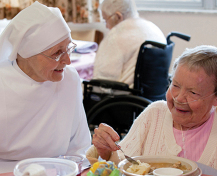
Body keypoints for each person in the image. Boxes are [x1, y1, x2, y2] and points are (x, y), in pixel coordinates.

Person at [0, 1, 91, 176]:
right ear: (27, 54)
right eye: (57, 53)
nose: (68, 60)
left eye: (68, 48)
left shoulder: (70, 80)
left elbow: (79, 149)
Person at [87, 45, 217, 169]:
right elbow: (121, 164)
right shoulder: (154, 114)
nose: (179, 98)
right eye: (175, 85)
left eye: (193, 92)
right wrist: (107, 152)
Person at [92, 0, 166, 88]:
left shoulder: (116, 35)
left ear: (118, 16)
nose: (106, 26)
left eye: (105, 20)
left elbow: (103, 79)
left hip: (123, 96)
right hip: (151, 93)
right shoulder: (153, 28)